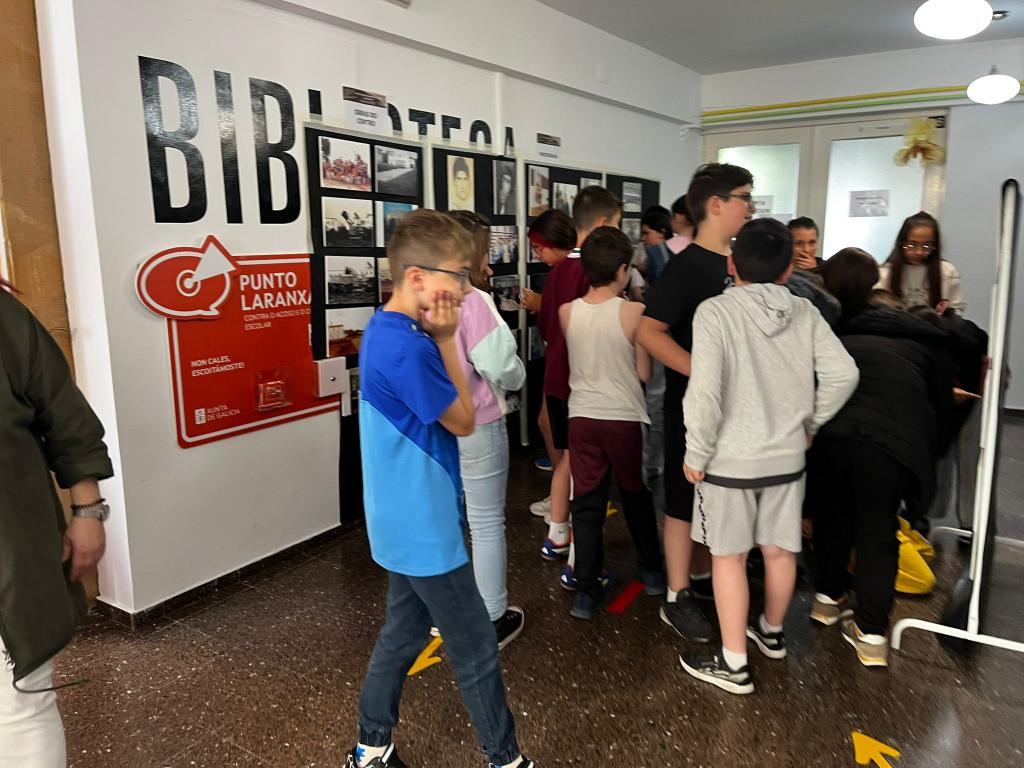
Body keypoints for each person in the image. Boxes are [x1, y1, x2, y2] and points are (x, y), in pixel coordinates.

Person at [349, 210, 534, 768]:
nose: (465, 287)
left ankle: (371, 746)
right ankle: (506, 760)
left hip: (401, 516)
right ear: (417, 277)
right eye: (456, 274)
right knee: (475, 646)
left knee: (403, 632)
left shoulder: (386, 329)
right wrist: (451, 338)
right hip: (423, 523)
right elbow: (463, 421)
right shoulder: (411, 346)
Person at [677, 219, 858, 694]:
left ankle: (734, 663)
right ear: (787, 271)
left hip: (728, 463)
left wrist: (696, 451)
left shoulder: (715, 312)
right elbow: (844, 374)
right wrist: (811, 424)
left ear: (731, 263)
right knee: (779, 551)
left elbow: (705, 392)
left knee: (729, 558)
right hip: (786, 460)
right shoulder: (806, 311)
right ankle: (772, 633)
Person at [808, 247, 957, 668]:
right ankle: (871, 635)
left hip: (833, 435)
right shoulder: (922, 341)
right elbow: (940, 410)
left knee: (832, 518)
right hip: (893, 444)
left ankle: (826, 601)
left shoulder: (830, 332)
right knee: (877, 532)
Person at [637, 163, 755, 643]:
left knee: (719, 498)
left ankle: (705, 577)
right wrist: (700, 370)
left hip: (735, 411)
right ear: (717, 204)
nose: (751, 207)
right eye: (745, 197)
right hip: (691, 407)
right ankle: (676, 595)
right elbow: (649, 331)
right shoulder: (688, 266)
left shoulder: (741, 263)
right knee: (683, 502)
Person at [1, 278, 113, 768]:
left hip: (10, 558)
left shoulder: (3, 315)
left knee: (19, 702)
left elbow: (64, 416)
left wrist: (88, 511)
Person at [560, 226, 664, 617]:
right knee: (635, 495)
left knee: (587, 504)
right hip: (623, 418)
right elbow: (643, 373)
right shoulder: (634, 312)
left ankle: (586, 592)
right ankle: (652, 572)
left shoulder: (567, 311)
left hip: (581, 418)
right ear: (623, 270)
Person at [448, 211, 528, 649]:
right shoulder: (473, 300)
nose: (489, 261)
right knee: (485, 523)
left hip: (439, 423)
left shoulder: (424, 295)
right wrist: (518, 373)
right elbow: (500, 366)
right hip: (479, 422)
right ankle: (492, 617)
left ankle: (447, 613)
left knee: (449, 521)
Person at [537, 186, 622, 564]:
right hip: (585, 385)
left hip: (557, 379)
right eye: (616, 225)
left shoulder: (557, 273)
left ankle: (558, 535)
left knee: (568, 462)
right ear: (602, 224)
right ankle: (580, 557)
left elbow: (545, 326)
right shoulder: (593, 273)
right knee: (587, 471)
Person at [518, 211, 576, 500]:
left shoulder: (562, 274)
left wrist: (540, 306)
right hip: (571, 363)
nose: (537, 254)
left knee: (552, 425)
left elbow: (552, 325)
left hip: (563, 363)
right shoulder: (580, 269)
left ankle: (563, 494)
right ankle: (564, 493)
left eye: (539, 248)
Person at [877, 211, 966, 314]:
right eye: (912, 245)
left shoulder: (947, 271)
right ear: (901, 243)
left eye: (927, 246)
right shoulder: (885, 273)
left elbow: (956, 309)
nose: (919, 252)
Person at [784, 217, 840, 326]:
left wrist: (814, 272)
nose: (806, 249)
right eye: (798, 243)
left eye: (812, 243)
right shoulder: (778, 273)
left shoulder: (829, 269)